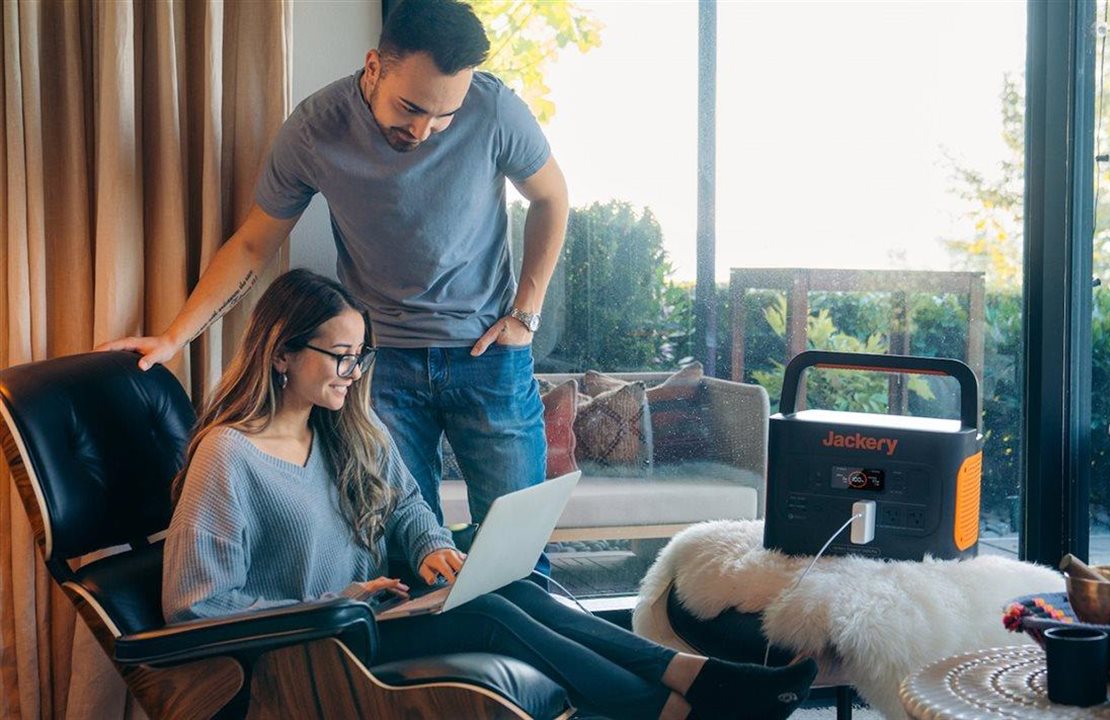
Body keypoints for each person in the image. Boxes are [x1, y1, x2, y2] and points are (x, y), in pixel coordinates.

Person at [162, 269, 818, 720]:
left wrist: (430, 552)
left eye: (361, 356)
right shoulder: (229, 458)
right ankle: (688, 703)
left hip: (370, 618)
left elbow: (409, 508)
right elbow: (197, 608)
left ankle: (694, 686)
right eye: (339, 356)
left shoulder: (348, 431)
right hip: (310, 650)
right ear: (280, 353)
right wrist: (334, 601)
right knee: (490, 616)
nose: (352, 372)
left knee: (519, 588)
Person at [100, 0, 564, 577]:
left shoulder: (496, 108)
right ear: (374, 67)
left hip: (490, 359)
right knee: (402, 550)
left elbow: (551, 197)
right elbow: (252, 244)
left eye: (444, 116)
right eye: (411, 108)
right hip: (377, 370)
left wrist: (526, 314)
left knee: (519, 555)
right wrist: (174, 337)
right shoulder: (315, 129)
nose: (423, 131)